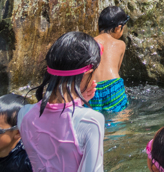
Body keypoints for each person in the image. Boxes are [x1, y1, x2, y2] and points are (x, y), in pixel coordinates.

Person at [17, 31, 104, 172]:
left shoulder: (24, 114)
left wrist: (78, 103)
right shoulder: (91, 121)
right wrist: (80, 108)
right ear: (88, 71)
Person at [89, 6, 129, 113]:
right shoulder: (120, 44)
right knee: (121, 116)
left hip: (92, 88)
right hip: (113, 86)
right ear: (118, 28)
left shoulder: (89, 43)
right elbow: (117, 69)